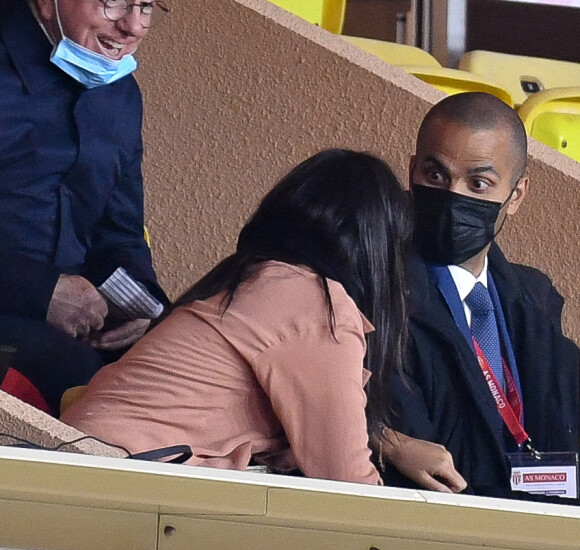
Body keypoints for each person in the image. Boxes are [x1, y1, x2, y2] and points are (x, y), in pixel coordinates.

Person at [62, 148, 413, 484]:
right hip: (121, 476)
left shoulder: (251, 279)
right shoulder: (315, 302)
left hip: (83, 460)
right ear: (375, 248)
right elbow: (347, 483)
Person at [377, 92, 580, 498]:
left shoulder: (534, 300)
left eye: (479, 183)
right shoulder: (379, 291)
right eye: (435, 176)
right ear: (413, 170)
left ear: (516, 195)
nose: (454, 195)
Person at [0, 0, 169, 414]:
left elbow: (119, 231)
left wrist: (138, 305)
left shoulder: (120, 95)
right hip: (21, 314)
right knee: (73, 376)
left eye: (146, 7)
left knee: (177, 362)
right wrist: (40, 293)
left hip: (67, 323)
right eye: (114, 3)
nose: (132, 26)